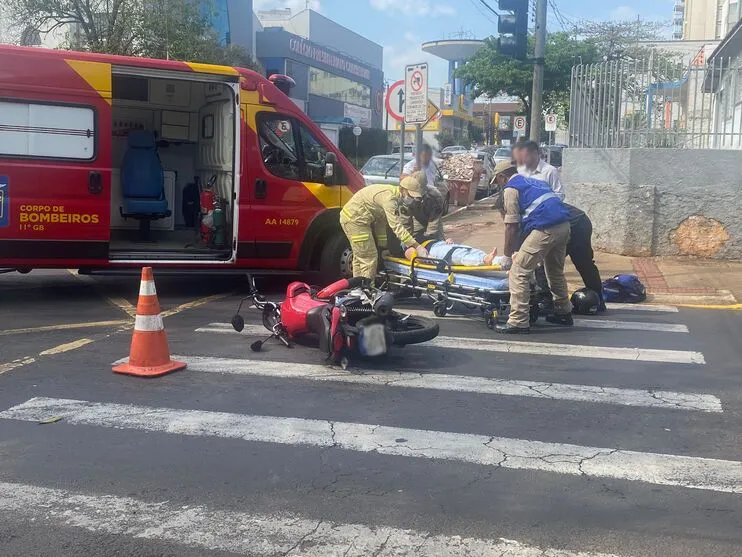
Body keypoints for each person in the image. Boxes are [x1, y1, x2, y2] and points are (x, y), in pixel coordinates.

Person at [491, 160, 573, 334]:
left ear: (501, 176)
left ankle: (519, 321)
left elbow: (511, 225)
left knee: (519, 271)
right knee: (554, 271)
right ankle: (564, 312)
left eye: (496, 180)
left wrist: (507, 256)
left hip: (546, 227)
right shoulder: (535, 181)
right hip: (564, 226)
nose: (497, 185)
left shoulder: (511, 188)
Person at [340, 172, 428, 279]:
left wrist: (383, 246)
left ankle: (357, 287)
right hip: (355, 220)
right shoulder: (390, 199)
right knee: (369, 257)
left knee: (360, 256)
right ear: (403, 190)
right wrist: (416, 246)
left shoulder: (395, 197)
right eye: (411, 195)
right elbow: (396, 226)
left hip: (356, 219)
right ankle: (367, 290)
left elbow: (381, 221)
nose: (412, 199)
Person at [565, 203, 606, 311]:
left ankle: (549, 302)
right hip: (578, 220)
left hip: (574, 223)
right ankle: (599, 300)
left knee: (546, 264)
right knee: (585, 263)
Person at [403, 240, 510, 267]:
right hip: (433, 251)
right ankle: (485, 260)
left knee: (469, 251)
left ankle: (500, 259)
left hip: (441, 245)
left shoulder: (414, 236)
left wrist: (445, 240)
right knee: (461, 256)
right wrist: (429, 259)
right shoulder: (405, 246)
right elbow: (412, 255)